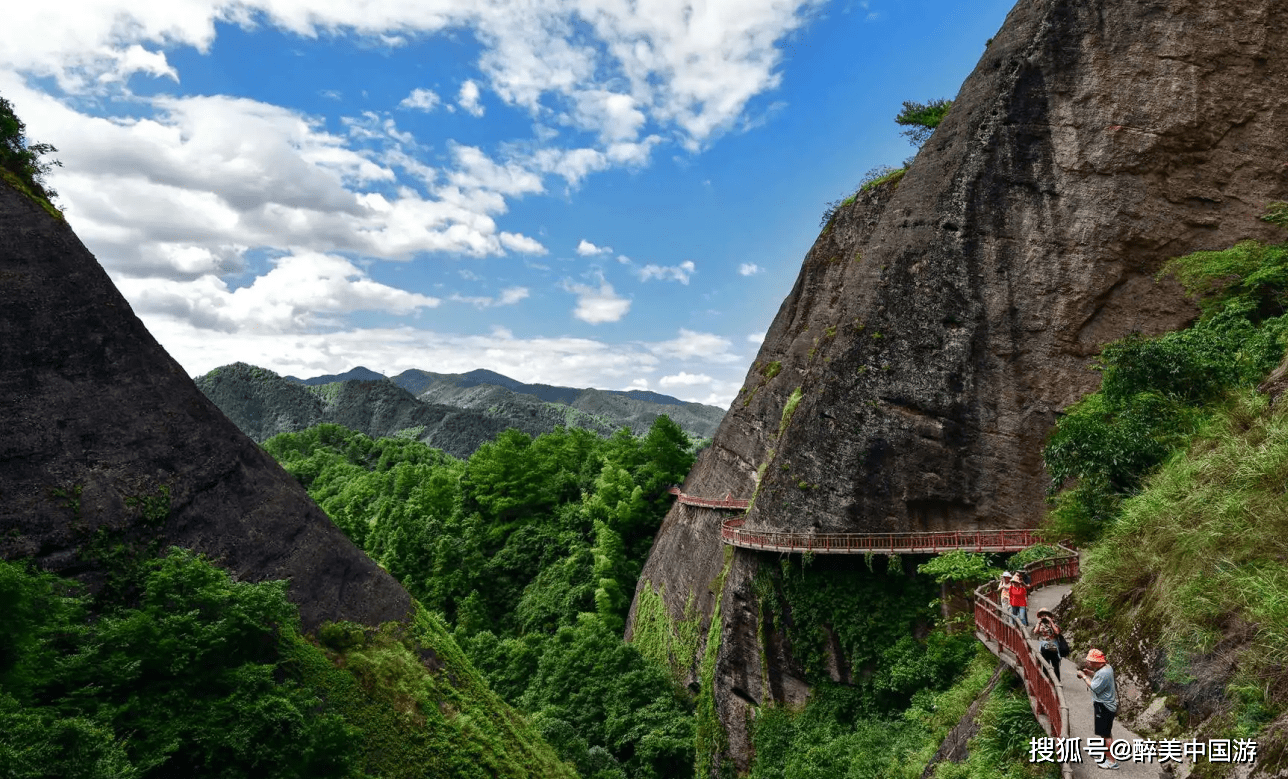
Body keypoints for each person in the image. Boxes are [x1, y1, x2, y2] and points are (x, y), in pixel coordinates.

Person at [1076, 649, 1120, 770]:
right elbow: (1101, 680)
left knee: (1106, 735)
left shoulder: (1103, 673)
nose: (1088, 662)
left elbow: (1094, 687)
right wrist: (1091, 674)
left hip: (1103, 707)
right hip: (1107, 705)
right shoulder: (1107, 667)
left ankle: (1112, 762)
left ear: (1096, 661)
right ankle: (1108, 756)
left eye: (1090, 661)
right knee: (1106, 733)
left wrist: (1084, 676)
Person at [1034, 608, 1063, 680]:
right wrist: (1038, 623)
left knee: (1055, 663)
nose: (1044, 616)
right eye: (1042, 615)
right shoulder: (1040, 624)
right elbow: (1035, 632)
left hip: (1053, 644)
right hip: (1044, 644)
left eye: (1046, 615)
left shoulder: (1054, 623)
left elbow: (1057, 632)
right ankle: (1045, 679)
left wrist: (1051, 622)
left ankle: (1057, 680)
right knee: (1045, 663)